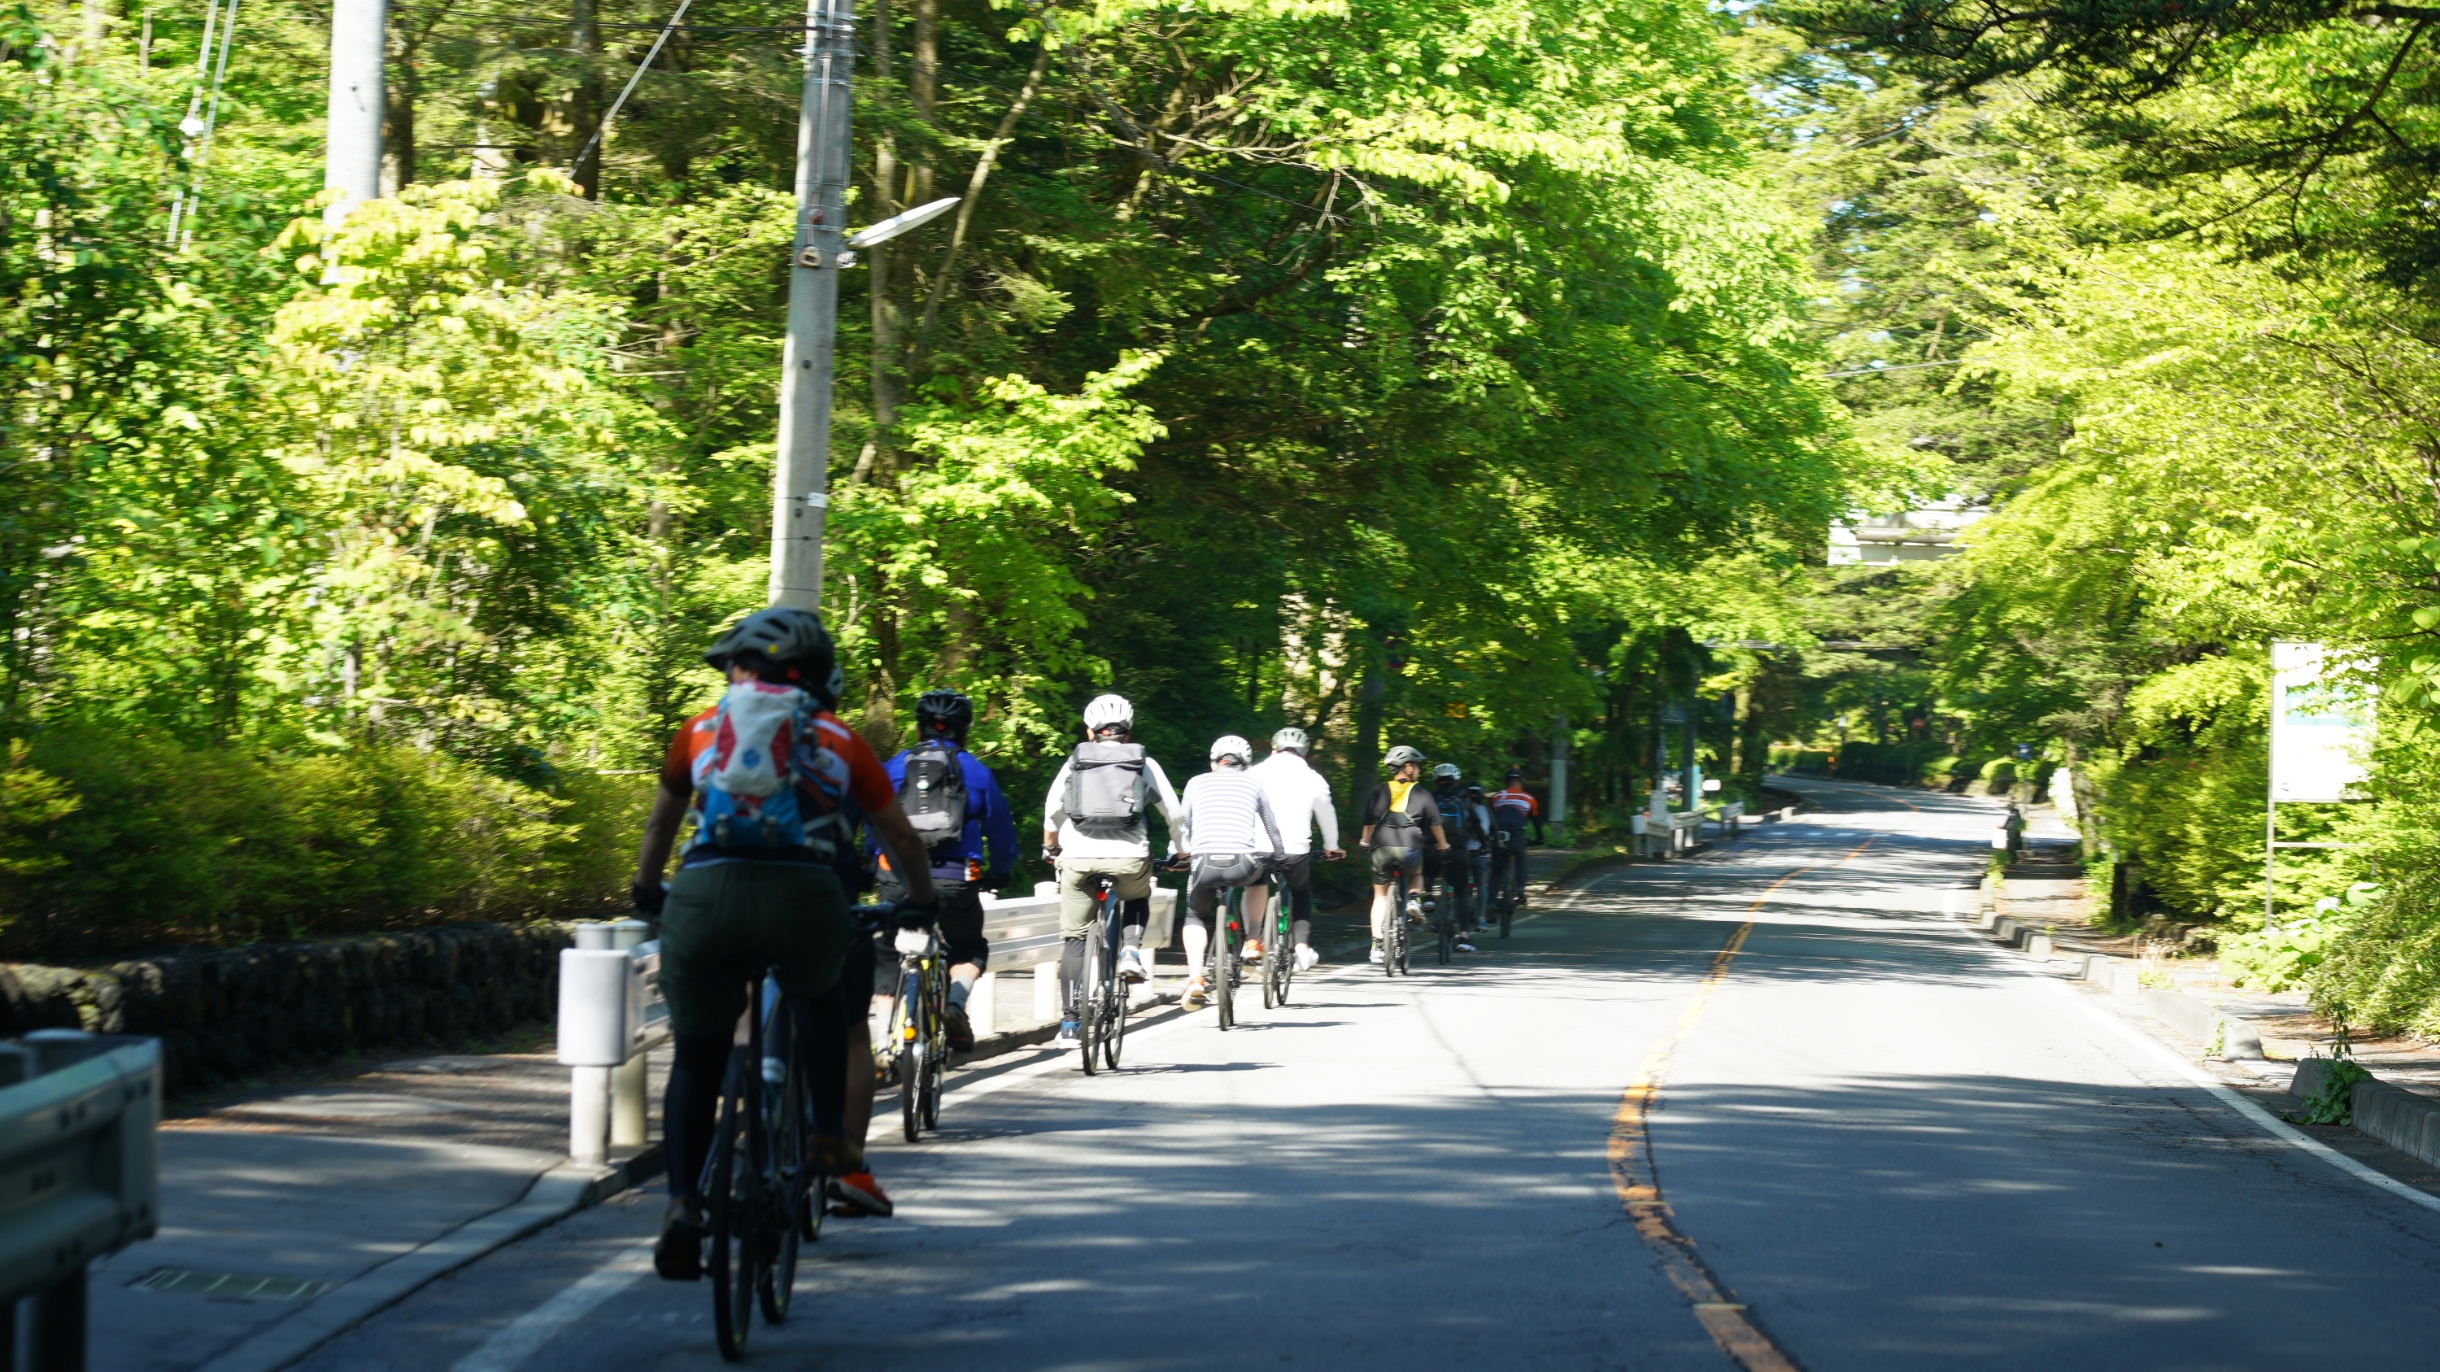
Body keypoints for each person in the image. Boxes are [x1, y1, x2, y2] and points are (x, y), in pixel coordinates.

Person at [630, 607, 938, 1280]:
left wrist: (649, 891)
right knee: (821, 998)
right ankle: (829, 1136)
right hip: (802, 898)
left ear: (740, 670)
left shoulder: (699, 730)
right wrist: (923, 898)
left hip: (706, 894)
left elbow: (660, 828)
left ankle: (683, 1205)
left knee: (697, 1059)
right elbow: (901, 836)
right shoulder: (838, 738)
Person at [873, 689, 1018, 1053]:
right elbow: (1000, 832)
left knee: (888, 950)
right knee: (969, 945)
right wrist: (1000, 871)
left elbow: (871, 821)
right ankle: (954, 1003)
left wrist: (870, 861)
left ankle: (880, 1042)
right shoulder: (977, 772)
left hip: (895, 876)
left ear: (919, 729)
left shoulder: (892, 767)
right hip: (956, 880)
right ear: (964, 730)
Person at [1041, 693, 1184, 1047]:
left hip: (1077, 858)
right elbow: (1174, 813)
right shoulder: (1143, 763)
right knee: (1137, 894)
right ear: (1129, 731)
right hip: (1129, 856)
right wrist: (1182, 850)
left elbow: (1051, 810)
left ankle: (1071, 1024)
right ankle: (1131, 951)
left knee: (1074, 940)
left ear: (1090, 731)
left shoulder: (1075, 761)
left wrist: (1050, 846)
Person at [1174, 735, 1286, 1007]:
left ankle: (1195, 979)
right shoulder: (1254, 783)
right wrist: (1280, 856)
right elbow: (1271, 825)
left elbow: (1181, 824)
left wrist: (1175, 855)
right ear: (1246, 766)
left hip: (1204, 863)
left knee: (1194, 914)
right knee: (1259, 876)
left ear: (1214, 764)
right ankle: (1251, 940)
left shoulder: (1195, 782)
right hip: (1242, 863)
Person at [1244, 726, 1343, 972]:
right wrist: (1332, 846)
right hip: (1295, 849)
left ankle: (1252, 940)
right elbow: (1327, 815)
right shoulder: (1313, 778)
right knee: (1301, 892)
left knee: (1256, 884)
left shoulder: (1253, 773)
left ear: (1274, 748)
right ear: (1303, 753)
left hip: (1259, 847)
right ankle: (1301, 949)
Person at [1358, 745, 1450, 964]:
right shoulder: (1421, 792)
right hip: (1410, 846)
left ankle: (1377, 945)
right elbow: (1435, 823)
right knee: (1416, 873)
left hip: (1382, 846)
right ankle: (1413, 899)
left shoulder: (1379, 790)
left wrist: (1365, 842)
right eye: (1417, 766)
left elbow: (1369, 820)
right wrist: (1443, 845)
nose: (1418, 771)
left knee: (1379, 896)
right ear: (1408, 767)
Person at [1422, 763, 1478, 953]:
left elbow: (1421, 821)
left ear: (1436, 781)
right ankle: (1463, 936)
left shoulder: (1429, 797)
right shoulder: (1464, 798)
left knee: (1427, 868)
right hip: (1458, 849)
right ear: (1457, 780)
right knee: (1462, 891)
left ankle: (1428, 897)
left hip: (1434, 847)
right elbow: (1475, 824)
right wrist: (1485, 843)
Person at [1488, 768, 1542, 909]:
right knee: (1521, 856)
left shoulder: (1496, 797)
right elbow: (1537, 822)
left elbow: (1491, 819)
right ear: (1522, 783)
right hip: (1517, 837)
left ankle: (1491, 902)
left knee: (1496, 871)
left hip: (1499, 837)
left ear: (1506, 783)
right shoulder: (1529, 798)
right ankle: (1520, 887)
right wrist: (1539, 839)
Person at [1461, 783, 1496, 932]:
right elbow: (1495, 829)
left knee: (1462, 887)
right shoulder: (1486, 811)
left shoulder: (1461, 810)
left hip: (1462, 853)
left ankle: (1459, 917)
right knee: (1481, 884)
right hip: (1481, 854)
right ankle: (1481, 919)